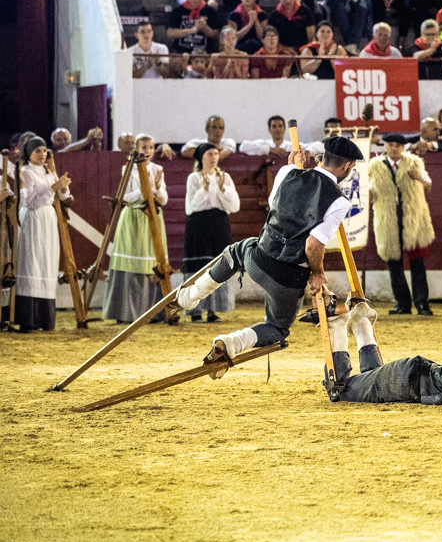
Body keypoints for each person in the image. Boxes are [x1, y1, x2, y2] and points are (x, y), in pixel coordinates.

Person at [173, 136, 363, 372]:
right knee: (277, 329)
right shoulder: (339, 201)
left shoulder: (286, 172)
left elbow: (276, 204)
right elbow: (313, 245)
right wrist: (317, 273)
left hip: (259, 258)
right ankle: (230, 342)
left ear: (323, 157)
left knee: (236, 251)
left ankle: (190, 296)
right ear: (347, 166)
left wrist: (293, 168)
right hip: (287, 280)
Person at [103, 134, 168, 324]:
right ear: (136, 149)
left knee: (152, 264)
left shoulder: (158, 169)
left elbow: (163, 196)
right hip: (133, 216)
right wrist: (145, 190)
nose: (147, 151)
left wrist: (156, 191)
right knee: (131, 264)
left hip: (152, 217)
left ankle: (153, 311)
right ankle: (127, 312)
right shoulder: (128, 168)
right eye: (143, 147)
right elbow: (125, 196)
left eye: (150, 147)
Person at [369, 134, 435, 317]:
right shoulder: (375, 166)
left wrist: (418, 178)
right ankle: (403, 303)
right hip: (388, 217)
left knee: (417, 262)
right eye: (391, 145)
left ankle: (422, 303)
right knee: (394, 262)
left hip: (412, 217)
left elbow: (428, 184)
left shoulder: (414, 163)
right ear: (386, 147)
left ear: (403, 147)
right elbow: (370, 191)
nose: (394, 148)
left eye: (398, 145)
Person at [11, 137, 71, 332]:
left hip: (48, 220)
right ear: (30, 153)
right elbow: (30, 202)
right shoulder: (26, 172)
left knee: (46, 262)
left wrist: (62, 186)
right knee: (32, 262)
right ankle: (28, 318)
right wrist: (53, 188)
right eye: (38, 151)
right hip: (33, 219)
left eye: (44, 150)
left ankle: (44, 318)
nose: (42, 154)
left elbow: (62, 196)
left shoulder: (48, 171)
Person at [183, 143, 240, 323]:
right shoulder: (194, 178)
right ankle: (196, 310)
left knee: (217, 267)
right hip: (198, 225)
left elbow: (234, 206)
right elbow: (191, 207)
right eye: (209, 154)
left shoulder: (224, 177)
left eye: (216, 153)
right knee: (199, 267)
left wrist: (223, 189)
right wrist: (205, 188)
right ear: (201, 157)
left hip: (218, 224)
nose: (214, 157)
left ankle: (214, 310)